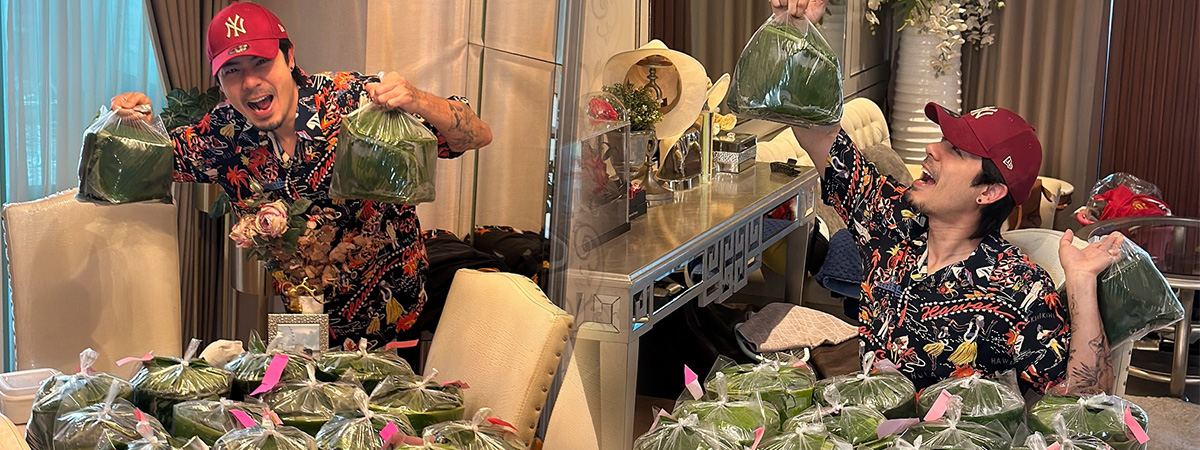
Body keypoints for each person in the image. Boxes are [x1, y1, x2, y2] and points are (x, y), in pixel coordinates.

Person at [774, 0, 1121, 396]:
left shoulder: (1018, 290)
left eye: (955, 150)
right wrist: (796, 30)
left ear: (989, 191)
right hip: (865, 416)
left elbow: (1087, 400)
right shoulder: (892, 219)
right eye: (942, 139)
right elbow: (819, 133)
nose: (932, 149)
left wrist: (1081, 282)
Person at [111, 2, 492, 356]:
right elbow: (145, 163)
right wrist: (135, 122)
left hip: (393, 318)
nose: (249, 82)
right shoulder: (222, 133)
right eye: (232, 71)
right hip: (303, 323)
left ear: (289, 57)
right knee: (293, 403)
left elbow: (476, 135)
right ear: (221, 82)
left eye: (261, 62)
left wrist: (418, 100)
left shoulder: (355, 103)